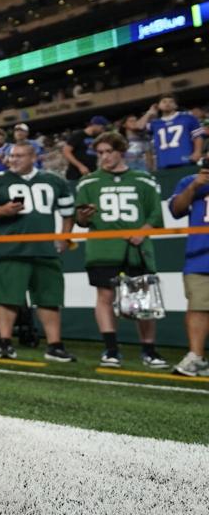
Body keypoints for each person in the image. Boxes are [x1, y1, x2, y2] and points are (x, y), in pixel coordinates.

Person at [0, 142, 77, 362]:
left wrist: (65, 236)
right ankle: (5, 343)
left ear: (33, 157)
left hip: (44, 250)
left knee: (49, 299)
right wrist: (3, 210)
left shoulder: (54, 180)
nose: (14, 160)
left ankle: (55, 346)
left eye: (20, 156)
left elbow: (69, 212)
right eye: (11, 156)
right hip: (12, 249)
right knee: (7, 298)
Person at [74, 132, 167, 368]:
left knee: (142, 298)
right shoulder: (89, 182)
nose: (104, 157)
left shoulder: (143, 180)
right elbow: (81, 220)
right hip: (103, 248)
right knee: (105, 296)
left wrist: (142, 231)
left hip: (136, 248)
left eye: (108, 151)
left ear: (121, 152)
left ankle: (149, 350)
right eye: (100, 153)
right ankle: (111, 349)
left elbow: (155, 213)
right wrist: (82, 217)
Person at [168, 166, 209, 376]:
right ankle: (196, 357)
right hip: (200, 255)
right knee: (198, 307)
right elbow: (176, 210)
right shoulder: (190, 181)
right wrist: (195, 186)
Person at [140, 94, 203, 170]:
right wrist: (149, 112)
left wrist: (197, 152)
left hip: (185, 159)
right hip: (163, 163)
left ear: (176, 105)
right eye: (164, 102)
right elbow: (139, 127)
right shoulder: (155, 123)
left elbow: (197, 136)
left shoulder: (188, 118)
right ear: (159, 106)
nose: (167, 104)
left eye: (171, 102)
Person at [62, 116, 110, 181]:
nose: (102, 131)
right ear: (95, 125)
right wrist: (80, 166)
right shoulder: (78, 135)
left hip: (92, 172)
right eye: (102, 128)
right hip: (76, 174)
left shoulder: (97, 138)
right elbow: (66, 151)